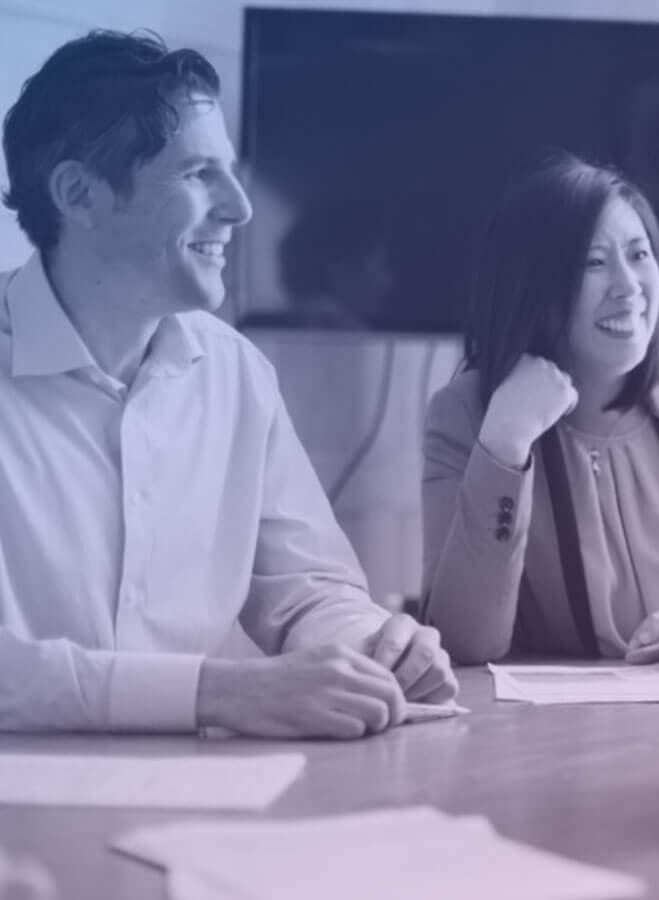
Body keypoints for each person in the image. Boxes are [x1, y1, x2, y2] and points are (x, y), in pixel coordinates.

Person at [0, 30, 457, 738]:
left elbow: (308, 589)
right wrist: (217, 693)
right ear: (78, 194)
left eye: (232, 171)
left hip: (205, 807)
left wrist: (376, 646)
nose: (241, 207)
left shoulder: (238, 374)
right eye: (196, 174)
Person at [422, 154, 659, 668]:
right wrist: (504, 445)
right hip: (552, 739)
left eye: (639, 254)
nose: (628, 286)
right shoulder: (464, 414)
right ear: (532, 286)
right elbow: (464, 642)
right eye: (593, 262)